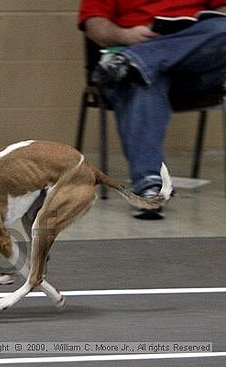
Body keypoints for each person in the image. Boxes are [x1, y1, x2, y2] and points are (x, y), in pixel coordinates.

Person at [78, 0, 226, 219]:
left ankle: (134, 62)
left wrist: (193, 31)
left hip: (193, 67)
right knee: (142, 82)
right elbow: (95, 25)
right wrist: (126, 36)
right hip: (132, 55)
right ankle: (149, 185)